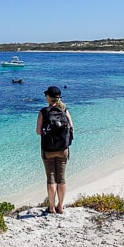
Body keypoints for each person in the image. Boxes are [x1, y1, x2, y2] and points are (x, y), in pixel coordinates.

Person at [36, 85, 74, 214]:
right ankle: (60, 207)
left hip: (48, 150)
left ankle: (51, 207)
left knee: (50, 178)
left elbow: (38, 131)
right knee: (61, 178)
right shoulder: (64, 110)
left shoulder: (43, 112)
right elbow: (71, 128)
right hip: (63, 149)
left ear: (48, 97)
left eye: (46, 95)